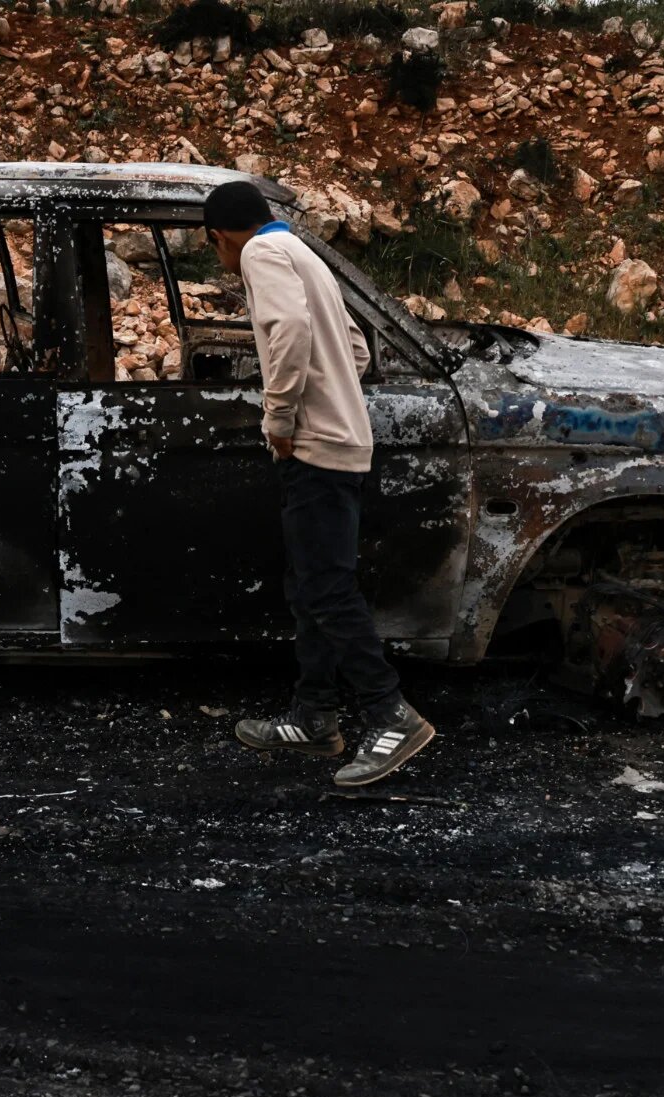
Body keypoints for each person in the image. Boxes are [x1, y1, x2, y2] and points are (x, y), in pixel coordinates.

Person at [203, 179, 436, 786]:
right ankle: (314, 717)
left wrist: (280, 417)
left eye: (217, 251)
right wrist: (332, 394)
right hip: (339, 440)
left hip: (314, 450)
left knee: (327, 589)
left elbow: (289, 333)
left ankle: (390, 713)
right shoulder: (302, 250)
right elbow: (354, 349)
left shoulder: (259, 254)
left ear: (220, 237)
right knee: (308, 584)